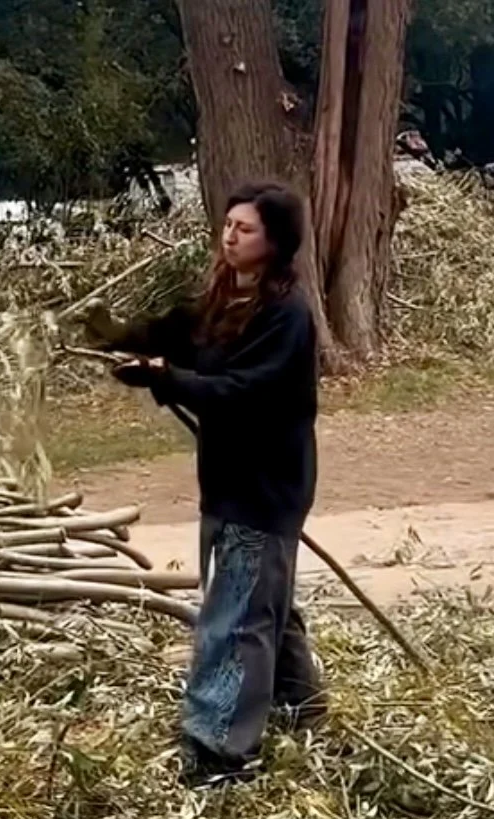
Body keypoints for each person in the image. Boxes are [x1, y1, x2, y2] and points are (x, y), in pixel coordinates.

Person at [87, 180, 326, 787]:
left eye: (244, 229)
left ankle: (222, 749)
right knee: (262, 600)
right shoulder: (229, 295)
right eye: (227, 225)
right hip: (227, 479)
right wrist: (125, 338)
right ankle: (300, 702)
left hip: (264, 485)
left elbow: (245, 393)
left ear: (274, 243)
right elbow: (182, 332)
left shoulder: (287, 316)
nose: (229, 235)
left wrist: (170, 382)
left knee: (236, 618)